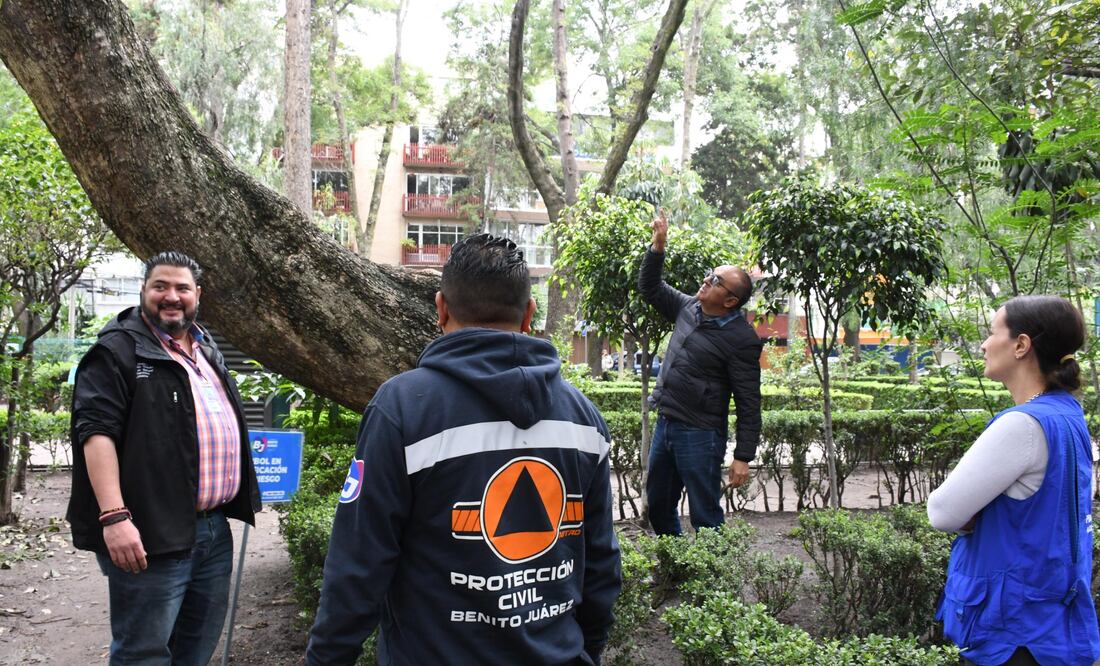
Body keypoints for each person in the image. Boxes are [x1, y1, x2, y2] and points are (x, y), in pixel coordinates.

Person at [306, 234, 621, 665]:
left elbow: (360, 562)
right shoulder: (582, 417)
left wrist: (326, 658)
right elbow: (601, 561)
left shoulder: (402, 410)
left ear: (440, 309)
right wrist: (587, 649)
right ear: (530, 314)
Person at [67, 250, 261, 666]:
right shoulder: (118, 351)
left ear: (197, 295)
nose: (171, 296)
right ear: (144, 291)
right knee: (144, 654)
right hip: (148, 533)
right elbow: (95, 434)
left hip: (212, 530)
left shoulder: (205, 350)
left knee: (196, 648)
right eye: (161, 286)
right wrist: (114, 518)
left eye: (182, 288)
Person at [927, 296, 1100, 666]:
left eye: (992, 333)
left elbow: (941, 511)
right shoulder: (1068, 415)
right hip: (1050, 626)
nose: (985, 345)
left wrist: (977, 515)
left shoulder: (1022, 424)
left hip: (1012, 635)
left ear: (1021, 345)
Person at [637, 212, 762, 536]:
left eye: (716, 281)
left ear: (731, 301)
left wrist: (743, 456)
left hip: (701, 434)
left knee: (705, 513)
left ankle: (712, 578)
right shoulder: (689, 308)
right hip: (666, 422)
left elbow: (749, 401)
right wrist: (658, 245)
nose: (707, 280)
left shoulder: (741, 339)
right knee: (660, 504)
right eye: (710, 275)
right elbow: (650, 287)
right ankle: (675, 568)